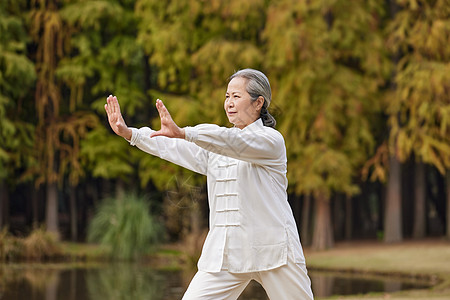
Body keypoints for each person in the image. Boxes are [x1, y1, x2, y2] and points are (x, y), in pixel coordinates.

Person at [104, 69, 314, 300]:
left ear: (258, 103)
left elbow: (231, 141)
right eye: (227, 96)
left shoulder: (270, 141)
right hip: (225, 254)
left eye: (236, 96)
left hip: (274, 250)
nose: (229, 103)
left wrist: (185, 132)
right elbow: (174, 147)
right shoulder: (216, 148)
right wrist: (131, 134)